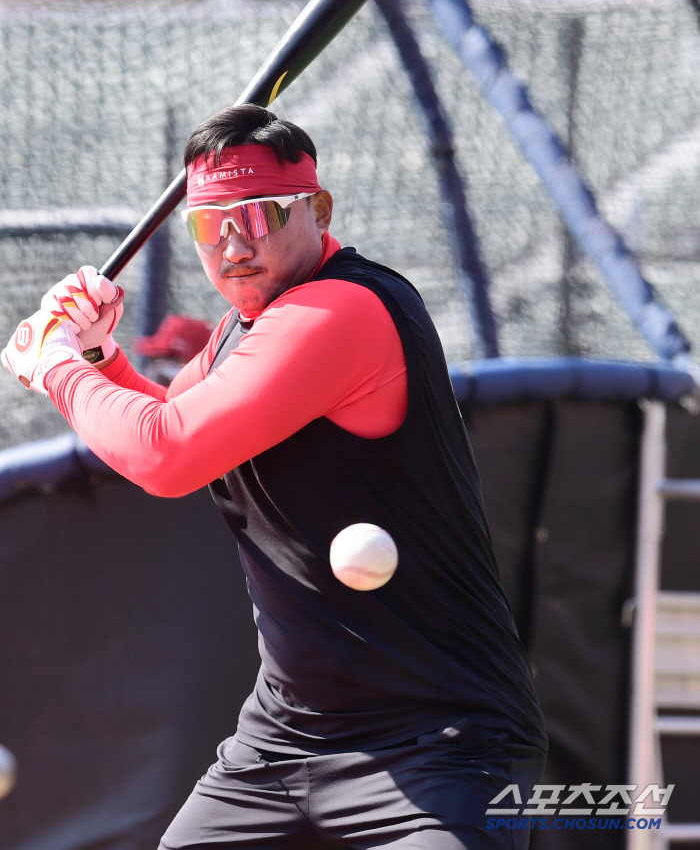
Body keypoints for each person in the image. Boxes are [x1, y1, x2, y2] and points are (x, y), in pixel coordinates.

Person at [2, 104, 546, 849]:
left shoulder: (343, 309)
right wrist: (100, 356)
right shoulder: (238, 330)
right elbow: (170, 422)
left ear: (317, 210)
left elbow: (168, 453)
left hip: (437, 744)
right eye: (209, 223)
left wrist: (55, 366)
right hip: (282, 745)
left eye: (258, 216)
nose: (232, 243)